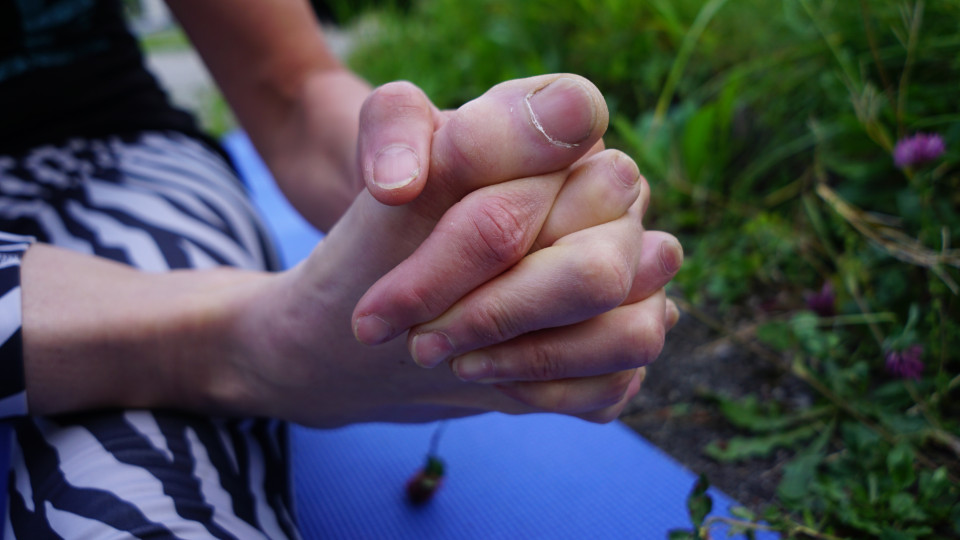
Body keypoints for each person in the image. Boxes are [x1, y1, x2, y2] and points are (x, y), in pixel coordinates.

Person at [0, 0, 683, 537]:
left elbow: (291, 87)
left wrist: (428, 186)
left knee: (144, 486)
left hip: (107, 161)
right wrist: (241, 345)